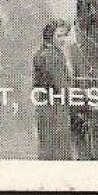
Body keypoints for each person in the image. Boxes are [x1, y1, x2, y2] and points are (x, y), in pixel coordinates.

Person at [32, 20, 75, 160]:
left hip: (45, 110)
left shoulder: (42, 53)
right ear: (50, 36)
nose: (63, 40)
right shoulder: (52, 56)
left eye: (65, 36)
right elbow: (62, 87)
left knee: (47, 151)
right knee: (60, 154)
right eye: (59, 36)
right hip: (56, 112)